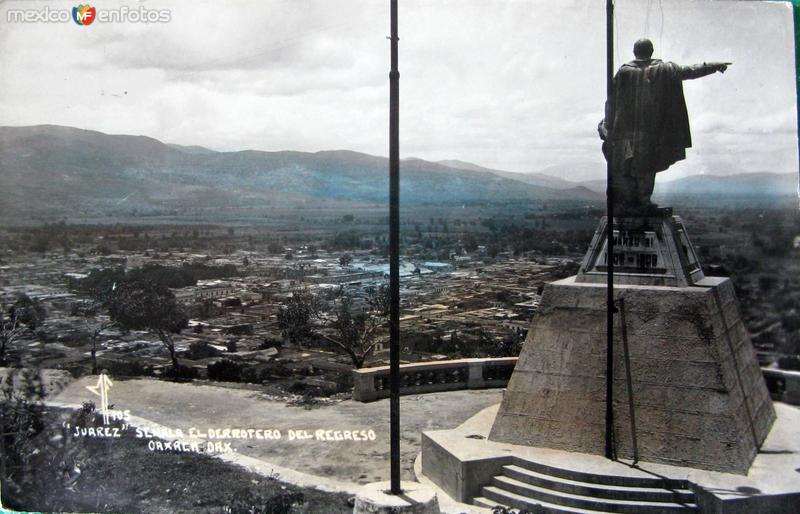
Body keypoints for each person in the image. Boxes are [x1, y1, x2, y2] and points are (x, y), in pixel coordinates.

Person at [598, 39, 729, 214]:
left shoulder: (624, 72)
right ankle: (642, 202)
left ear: (634, 52)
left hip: (627, 133)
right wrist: (714, 66)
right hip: (651, 132)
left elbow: (611, 101)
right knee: (646, 167)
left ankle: (634, 203)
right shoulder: (665, 70)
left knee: (628, 166)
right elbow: (690, 71)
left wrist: (607, 124)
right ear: (651, 51)